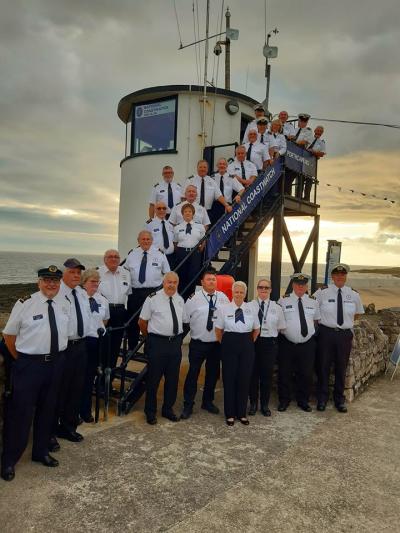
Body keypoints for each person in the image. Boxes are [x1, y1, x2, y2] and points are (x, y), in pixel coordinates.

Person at [1, 265, 70, 481]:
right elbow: (9, 337)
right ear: (39, 282)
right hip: (29, 366)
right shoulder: (25, 304)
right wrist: (22, 360)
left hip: (56, 364)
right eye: (47, 280)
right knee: (20, 414)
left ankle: (40, 452)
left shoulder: (63, 303)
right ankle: (9, 461)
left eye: (55, 281)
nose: (51, 284)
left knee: (48, 411)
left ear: (60, 283)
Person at [313, 264, 364, 413]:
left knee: (341, 367)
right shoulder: (322, 293)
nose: (340, 277)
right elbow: (313, 312)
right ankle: (321, 399)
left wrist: (344, 324)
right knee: (323, 366)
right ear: (332, 277)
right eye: (337, 274)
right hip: (326, 334)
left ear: (345, 276)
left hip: (344, 335)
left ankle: (339, 400)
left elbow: (357, 314)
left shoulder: (353, 294)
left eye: (343, 275)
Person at [180, 268, 230, 420]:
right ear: (202, 282)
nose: (211, 282)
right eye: (208, 279)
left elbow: (228, 317)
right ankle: (188, 405)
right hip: (198, 344)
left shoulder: (222, 298)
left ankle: (207, 402)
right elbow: (185, 319)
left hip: (216, 344)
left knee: (212, 374)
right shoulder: (193, 298)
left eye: (214, 279)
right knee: (193, 374)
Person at [139, 272, 184, 425]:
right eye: (169, 282)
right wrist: (150, 338)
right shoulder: (152, 299)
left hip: (175, 344)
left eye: (174, 282)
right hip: (157, 343)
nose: (172, 285)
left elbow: (183, 321)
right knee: (153, 380)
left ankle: (167, 409)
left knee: (172, 379)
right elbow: (142, 322)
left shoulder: (179, 299)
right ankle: (150, 412)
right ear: (163, 282)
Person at [54, 258, 91, 444]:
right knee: (58, 391)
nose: (76, 275)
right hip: (63, 349)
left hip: (81, 346)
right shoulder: (56, 293)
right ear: (63, 274)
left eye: (78, 272)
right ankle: (51, 432)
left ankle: (68, 428)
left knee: (76, 390)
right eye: (72, 272)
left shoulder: (82, 293)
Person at [215, 281, 259, 426]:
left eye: (241, 292)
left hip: (246, 343)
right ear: (232, 293)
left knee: (244, 378)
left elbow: (256, 329)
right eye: (236, 292)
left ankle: (241, 413)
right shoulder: (224, 309)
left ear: (245, 294)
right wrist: (227, 344)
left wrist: (248, 342)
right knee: (229, 378)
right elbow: (218, 331)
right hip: (229, 343)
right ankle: (230, 414)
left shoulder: (251, 309)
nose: (239, 294)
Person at [278, 273, 320, 412]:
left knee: (306, 374)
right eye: (297, 284)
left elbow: (315, 320)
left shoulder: (313, 301)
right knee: (284, 373)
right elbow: (278, 321)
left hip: (307, 344)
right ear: (293, 285)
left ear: (306, 286)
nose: (300, 287)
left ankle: (303, 401)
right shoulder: (283, 300)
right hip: (287, 344)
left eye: (303, 284)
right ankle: (284, 400)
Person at [125, 230, 170, 350]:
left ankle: (148, 347)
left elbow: (167, 274)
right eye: (143, 239)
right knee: (133, 321)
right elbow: (125, 273)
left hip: (153, 293)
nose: (146, 241)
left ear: (152, 240)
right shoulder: (132, 254)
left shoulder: (160, 254)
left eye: (148, 239)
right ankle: (132, 348)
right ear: (138, 241)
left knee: (151, 321)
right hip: (135, 292)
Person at [248, 279, 286, 416]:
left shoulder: (277, 308)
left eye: (266, 287)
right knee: (253, 375)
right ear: (257, 289)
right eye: (261, 287)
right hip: (253, 343)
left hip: (269, 344)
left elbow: (281, 327)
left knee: (266, 376)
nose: (263, 289)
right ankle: (253, 404)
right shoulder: (249, 306)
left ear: (270, 290)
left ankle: (264, 405)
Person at [80, 269, 110, 423]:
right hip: (81, 343)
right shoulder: (77, 298)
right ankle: (72, 411)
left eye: (97, 282)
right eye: (92, 281)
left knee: (90, 378)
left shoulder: (102, 300)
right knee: (78, 378)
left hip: (96, 343)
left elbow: (104, 321)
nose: (96, 284)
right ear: (84, 282)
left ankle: (85, 410)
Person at [98, 249, 131, 377]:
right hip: (103, 311)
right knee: (102, 347)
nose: (114, 259)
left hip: (120, 311)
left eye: (116, 257)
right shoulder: (98, 272)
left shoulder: (125, 273)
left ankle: (109, 380)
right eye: (110, 257)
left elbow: (128, 293)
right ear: (105, 259)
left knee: (115, 348)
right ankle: (99, 378)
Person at [173, 203, 205, 297]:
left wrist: (199, 251)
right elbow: (175, 242)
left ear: (193, 214)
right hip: (182, 252)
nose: (187, 213)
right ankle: (181, 297)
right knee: (182, 276)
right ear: (182, 214)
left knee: (193, 276)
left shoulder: (200, 227)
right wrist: (180, 252)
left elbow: (203, 241)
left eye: (189, 211)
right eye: (185, 211)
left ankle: (191, 297)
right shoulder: (177, 228)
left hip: (195, 253)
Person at [210, 158, 244, 223]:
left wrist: (239, 195)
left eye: (224, 164)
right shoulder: (212, 178)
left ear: (226, 166)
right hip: (215, 206)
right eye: (220, 164)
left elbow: (242, 189)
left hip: (228, 206)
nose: (222, 166)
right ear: (217, 166)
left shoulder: (231, 178)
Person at [145, 201, 175, 267]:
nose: (162, 210)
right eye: (159, 208)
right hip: (156, 257)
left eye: (164, 208)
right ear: (155, 210)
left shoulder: (169, 225)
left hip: (170, 257)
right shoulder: (150, 224)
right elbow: (146, 241)